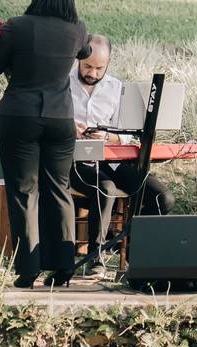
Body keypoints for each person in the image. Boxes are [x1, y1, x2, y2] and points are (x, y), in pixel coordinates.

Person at [0, 0, 91, 289]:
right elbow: (85, 52)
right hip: (60, 119)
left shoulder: (16, 26)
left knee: (23, 191)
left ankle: (28, 269)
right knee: (59, 188)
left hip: (20, 114)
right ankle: (63, 266)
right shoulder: (77, 29)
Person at [69, 33, 175, 276]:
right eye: (87, 66)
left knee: (162, 197)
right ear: (78, 59)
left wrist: (108, 137)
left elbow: (127, 135)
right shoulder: (62, 84)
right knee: (104, 188)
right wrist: (69, 128)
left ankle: (141, 256)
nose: (92, 73)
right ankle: (95, 258)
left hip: (114, 160)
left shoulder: (116, 88)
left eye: (99, 68)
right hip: (77, 161)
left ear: (108, 63)